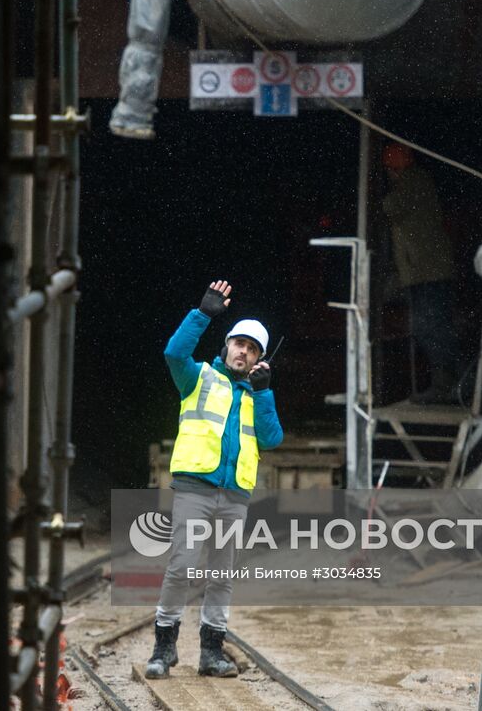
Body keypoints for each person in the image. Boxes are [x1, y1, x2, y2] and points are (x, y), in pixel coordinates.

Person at [144, 280, 284, 679]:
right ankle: (164, 648)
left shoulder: (258, 395)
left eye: (252, 348)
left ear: (259, 358)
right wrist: (202, 314)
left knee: (221, 576)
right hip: (196, 489)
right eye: (239, 343)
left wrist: (264, 394)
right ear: (227, 346)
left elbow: (272, 439)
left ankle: (211, 652)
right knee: (181, 567)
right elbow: (173, 352)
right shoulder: (198, 377)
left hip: (235, 496)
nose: (244, 351)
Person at [380, 142, 465, 403]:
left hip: (428, 272)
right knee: (431, 326)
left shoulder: (412, 183)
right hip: (423, 271)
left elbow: (389, 208)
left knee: (430, 327)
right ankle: (454, 384)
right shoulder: (414, 182)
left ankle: (451, 385)